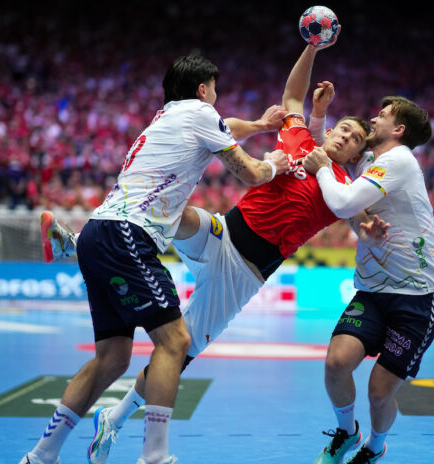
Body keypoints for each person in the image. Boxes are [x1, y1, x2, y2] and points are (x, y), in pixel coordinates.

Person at [41, 33, 375, 464]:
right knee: (173, 210)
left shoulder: (343, 185)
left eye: (354, 138)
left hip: (243, 272)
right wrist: (312, 49)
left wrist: (368, 219)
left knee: (177, 353)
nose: (345, 135)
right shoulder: (301, 140)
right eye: (343, 127)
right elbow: (292, 96)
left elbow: (359, 217)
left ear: (356, 154)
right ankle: (77, 244)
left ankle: (115, 418)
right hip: (224, 231)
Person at [20, 54, 290, 464]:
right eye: (214, 89)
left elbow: (226, 127)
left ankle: (40, 456)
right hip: (128, 235)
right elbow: (250, 173)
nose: (216, 97)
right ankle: (154, 457)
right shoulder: (201, 113)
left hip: (98, 232)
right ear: (203, 90)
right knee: (175, 341)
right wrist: (273, 164)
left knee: (112, 359)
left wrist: (257, 125)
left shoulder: (166, 118)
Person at [302, 96, 434, 464]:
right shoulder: (368, 159)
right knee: (336, 364)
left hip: (417, 296)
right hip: (371, 289)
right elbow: (327, 147)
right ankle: (347, 432)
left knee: (380, 391)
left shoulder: (399, 160)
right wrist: (319, 112)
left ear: (398, 129)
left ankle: (374, 446)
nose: (373, 118)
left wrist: (323, 170)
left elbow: (342, 202)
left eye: (381, 116)